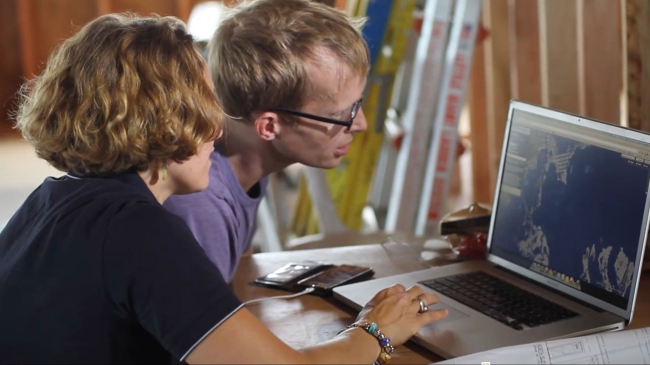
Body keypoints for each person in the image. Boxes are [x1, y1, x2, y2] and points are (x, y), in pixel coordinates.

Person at [0, 13, 447, 364]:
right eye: (204, 106)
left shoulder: (51, 199)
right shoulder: (141, 233)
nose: (218, 129)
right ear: (159, 121)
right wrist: (374, 329)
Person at [163, 0, 369, 282]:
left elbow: (235, 279)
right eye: (341, 115)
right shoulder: (200, 202)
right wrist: (372, 328)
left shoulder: (245, 158)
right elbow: (205, 324)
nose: (361, 124)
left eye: (357, 104)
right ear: (270, 126)